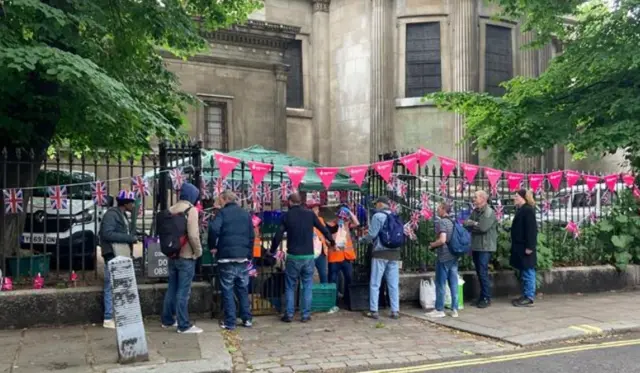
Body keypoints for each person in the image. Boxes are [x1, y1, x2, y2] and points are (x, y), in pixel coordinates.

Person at [269, 193, 335, 323]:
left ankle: (289, 314)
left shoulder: (287, 216)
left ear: (290, 202)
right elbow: (323, 229)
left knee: (290, 286)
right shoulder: (310, 214)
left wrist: (272, 250)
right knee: (307, 285)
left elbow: (278, 235)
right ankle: (305, 315)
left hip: (293, 255)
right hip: (308, 256)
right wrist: (331, 241)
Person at [208, 190, 254, 330]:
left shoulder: (222, 214)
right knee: (242, 288)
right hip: (242, 257)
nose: (219, 202)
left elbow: (213, 229)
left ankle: (230, 321)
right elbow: (252, 235)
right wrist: (249, 253)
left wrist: (212, 246)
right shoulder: (246, 214)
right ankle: (246, 318)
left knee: (227, 289)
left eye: (220, 199)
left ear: (225, 199)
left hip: (226, 256)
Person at [161, 182, 203, 334]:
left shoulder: (171, 209)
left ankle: (167, 320)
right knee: (183, 291)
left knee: (171, 288)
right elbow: (193, 235)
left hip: (172, 255)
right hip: (186, 255)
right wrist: (198, 252)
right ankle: (183, 324)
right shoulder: (191, 210)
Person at [100, 190, 138, 329]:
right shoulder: (111, 215)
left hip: (118, 254)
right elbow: (107, 233)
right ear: (126, 203)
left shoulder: (120, 215)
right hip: (112, 254)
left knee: (118, 285)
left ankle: (116, 315)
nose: (133, 205)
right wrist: (129, 238)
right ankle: (108, 317)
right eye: (132, 202)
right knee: (110, 285)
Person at [360, 196, 401, 320]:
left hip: (380, 253)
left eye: (376, 204)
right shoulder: (395, 216)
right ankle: (395, 310)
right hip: (394, 253)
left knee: (375, 282)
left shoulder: (377, 216)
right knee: (393, 283)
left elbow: (372, 234)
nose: (375, 206)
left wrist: (362, 240)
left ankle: (374, 310)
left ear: (380, 204)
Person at [464, 190, 497, 309]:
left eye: (475, 197)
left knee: (483, 273)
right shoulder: (476, 211)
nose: (473, 199)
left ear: (483, 198)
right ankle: (481, 296)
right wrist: (474, 223)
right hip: (477, 245)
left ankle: (486, 298)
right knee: (479, 272)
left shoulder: (489, 212)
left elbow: (483, 228)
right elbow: (466, 224)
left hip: (485, 247)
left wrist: (473, 224)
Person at [426, 203, 459, 318]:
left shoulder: (442, 222)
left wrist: (432, 245)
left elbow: (442, 240)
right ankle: (455, 308)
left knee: (440, 283)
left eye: (439, 208)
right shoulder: (452, 222)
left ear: (444, 209)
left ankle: (439, 309)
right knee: (453, 283)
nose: (437, 210)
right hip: (453, 255)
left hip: (444, 256)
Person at [326, 204, 359, 310]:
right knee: (333, 280)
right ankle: (333, 303)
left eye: (344, 215)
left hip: (346, 257)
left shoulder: (346, 224)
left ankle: (348, 301)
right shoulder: (329, 225)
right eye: (341, 214)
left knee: (349, 279)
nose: (342, 217)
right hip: (335, 257)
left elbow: (357, 223)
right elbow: (327, 240)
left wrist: (349, 212)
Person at [510, 189, 538, 307]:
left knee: (528, 271)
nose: (514, 198)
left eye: (516, 196)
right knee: (524, 270)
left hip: (525, 247)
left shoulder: (528, 210)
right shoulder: (522, 210)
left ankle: (529, 296)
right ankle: (525, 294)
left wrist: (530, 246)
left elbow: (532, 230)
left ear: (522, 198)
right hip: (520, 247)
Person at [308, 200, 329, 283]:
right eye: (316, 209)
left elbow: (324, 232)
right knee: (308, 274)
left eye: (317, 209)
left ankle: (324, 293)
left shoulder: (320, 219)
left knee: (323, 274)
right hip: (309, 252)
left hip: (321, 251)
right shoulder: (306, 220)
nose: (318, 211)